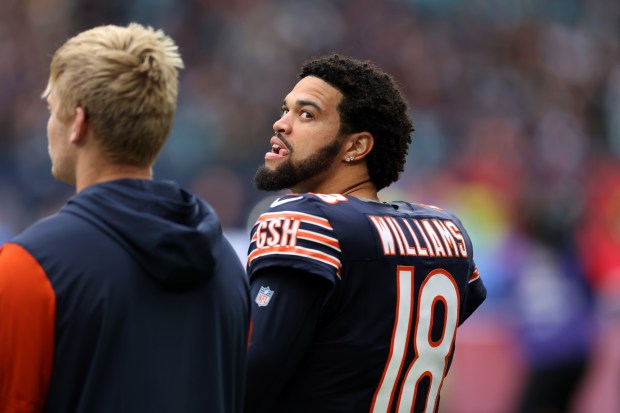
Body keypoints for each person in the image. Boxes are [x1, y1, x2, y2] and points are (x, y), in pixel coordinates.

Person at [0, 23, 250, 413]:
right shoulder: (228, 267)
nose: (48, 125)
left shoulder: (29, 268)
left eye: (52, 109)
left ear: (78, 123)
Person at [245, 54, 487, 413]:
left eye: (306, 114)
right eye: (286, 110)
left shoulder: (307, 219)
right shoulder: (447, 231)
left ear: (356, 147)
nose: (281, 124)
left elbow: (253, 373)